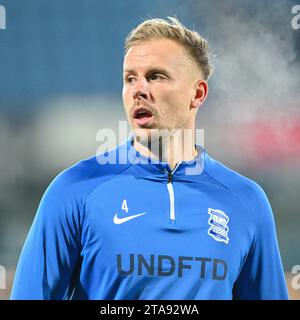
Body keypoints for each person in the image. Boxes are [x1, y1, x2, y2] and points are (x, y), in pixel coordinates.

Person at [11, 17, 288, 300]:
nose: (138, 90)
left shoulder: (246, 201)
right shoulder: (74, 190)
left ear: (198, 93)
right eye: (130, 78)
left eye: (156, 76)